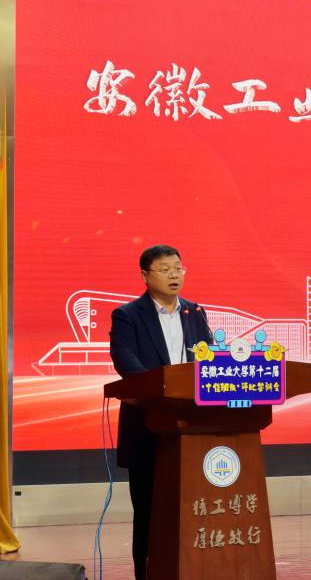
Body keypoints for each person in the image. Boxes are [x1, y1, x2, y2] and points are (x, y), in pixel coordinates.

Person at [109, 245, 212, 580]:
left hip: (192, 428)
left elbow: (209, 359)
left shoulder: (195, 312)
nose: (174, 275)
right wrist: (164, 395)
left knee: (193, 509)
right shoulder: (127, 316)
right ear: (145, 275)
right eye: (165, 269)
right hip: (148, 427)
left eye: (178, 268)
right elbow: (127, 362)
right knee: (148, 512)